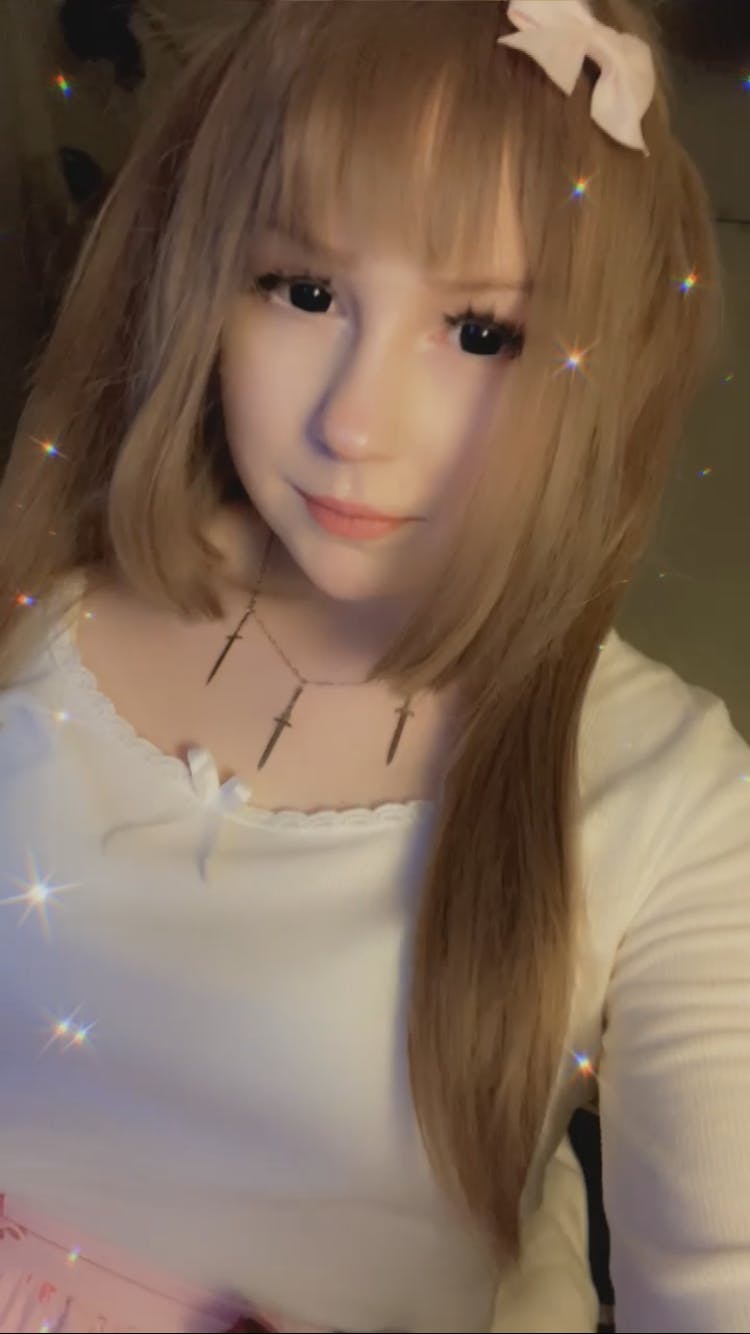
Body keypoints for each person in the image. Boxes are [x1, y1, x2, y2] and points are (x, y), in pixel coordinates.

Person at [0, 1, 747, 1330]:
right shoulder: (38, 594)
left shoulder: (670, 797)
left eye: (481, 332)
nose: (354, 423)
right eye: (305, 291)